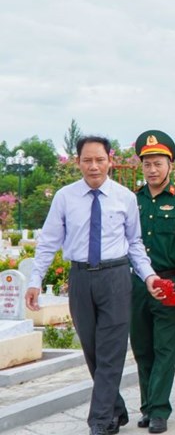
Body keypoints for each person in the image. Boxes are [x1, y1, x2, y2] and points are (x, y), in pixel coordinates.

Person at [24, 136, 163, 435]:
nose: (94, 166)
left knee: (111, 350)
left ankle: (98, 422)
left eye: (100, 159)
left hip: (116, 277)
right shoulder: (65, 197)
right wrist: (35, 280)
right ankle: (116, 410)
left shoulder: (125, 198)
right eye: (87, 160)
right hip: (80, 278)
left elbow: (135, 243)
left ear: (110, 160)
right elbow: (48, 242)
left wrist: (149, 276)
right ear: (78, 163)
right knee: (93, 350)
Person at [132, 130, 175, 434]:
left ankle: (159, 410)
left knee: (164, 348)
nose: (152, 170)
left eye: (158, 163)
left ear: (170, 165)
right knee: (141, 347)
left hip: (169, 282)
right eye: (147, 164)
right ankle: (147, 406)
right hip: (137, 284)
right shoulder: (133, 200)